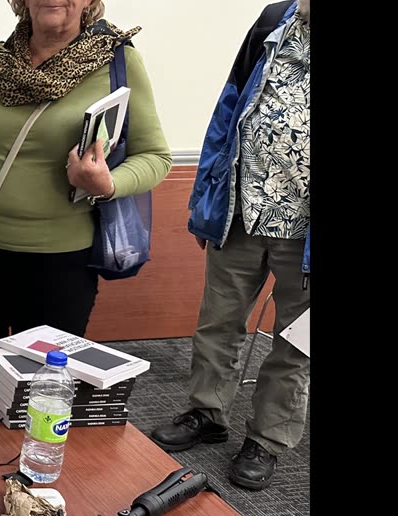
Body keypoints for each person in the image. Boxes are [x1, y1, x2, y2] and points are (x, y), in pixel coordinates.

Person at [0, 0, 172, 385]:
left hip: (60, 262)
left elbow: (156, 157)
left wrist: (108, 185)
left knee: (43, 390)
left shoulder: (116, 61)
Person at [150, 0, 310, 491]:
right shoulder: (274, 22)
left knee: (296, 345)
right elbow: (227, 114)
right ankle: (206, 413)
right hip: (241, 213)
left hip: (304, 236)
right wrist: (206, 202)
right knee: (218, 322)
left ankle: (267, 439)